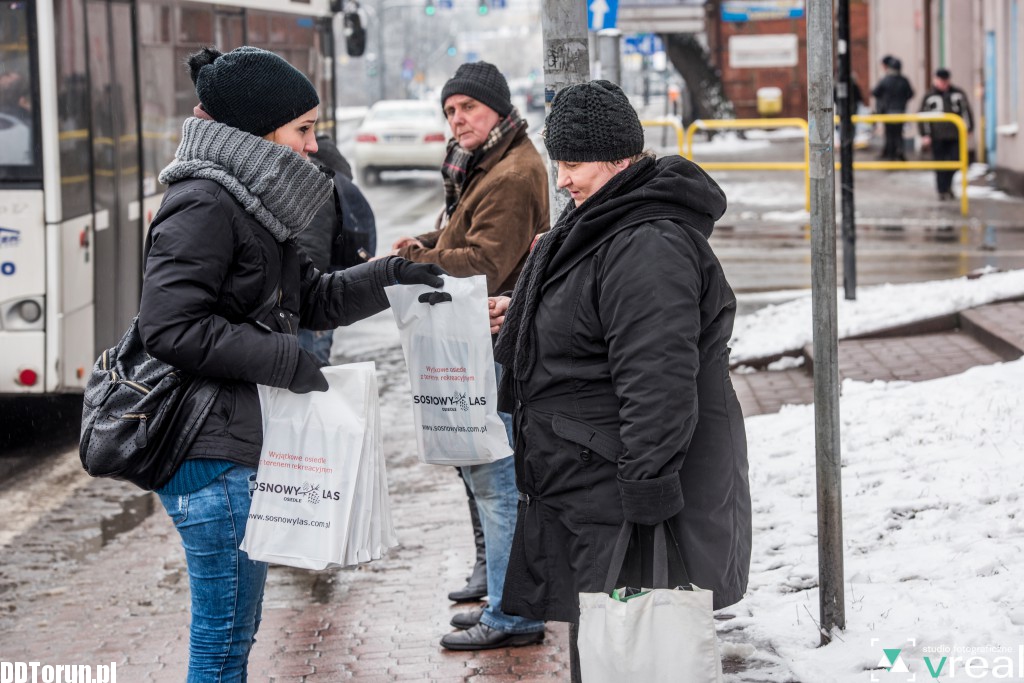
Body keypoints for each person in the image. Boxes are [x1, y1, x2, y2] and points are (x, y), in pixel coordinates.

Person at [137, 46, 444, 681]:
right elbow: (168, 327)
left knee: (235, 634)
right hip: (206, 450)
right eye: (302, 129)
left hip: (233, 438)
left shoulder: (252, 201)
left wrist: (391, 275)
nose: (311, 145)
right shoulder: (205, 202)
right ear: (259, 128)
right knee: (223, 642)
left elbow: (314, 298)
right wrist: (285, 361)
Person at [490, 80, 752, 680]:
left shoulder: (646, 242)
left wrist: (646, 501)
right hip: (591, 485)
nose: (562, 180)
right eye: (559, 163)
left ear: (618, 158)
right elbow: (598, 325)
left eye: (574, 164)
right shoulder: (610, 225)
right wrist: (528, 314)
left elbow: (657, 379)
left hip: (619, 493)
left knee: (629, 651)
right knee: (610, 647)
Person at [388, 60, 549, 650]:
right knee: (489, 480)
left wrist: (411, 264)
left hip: (495, 339)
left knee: (497, 483)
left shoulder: (510, 172)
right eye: (450, 110)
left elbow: (485, 263)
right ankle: (508, 603)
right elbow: (463, 234)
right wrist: (424, 244)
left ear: (497, 110)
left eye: (468, 108)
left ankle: (512, 615)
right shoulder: (490, 164)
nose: (457, 120)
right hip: (483, 339)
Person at [294, 133, 377, 363]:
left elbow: (312, 250)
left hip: (313, 300)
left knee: (312, 371)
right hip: (326, 290)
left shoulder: (313, 181)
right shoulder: (333, 174)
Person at [919, 68, 974, 201]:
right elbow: (923, 116)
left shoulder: (958, 94)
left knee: (955, 160)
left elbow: (967, 111)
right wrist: (925, 134)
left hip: (955, 135)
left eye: (945, 81)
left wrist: (969, 128)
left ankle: (948, 186)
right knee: (940, 164)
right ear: (935, 80)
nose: (943, 84)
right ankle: (942, 190)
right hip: (937, 136)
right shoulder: (930, 95)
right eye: (940, 81)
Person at [871, 55, 914, 161]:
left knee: (890, 134)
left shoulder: (886, 80)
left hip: (888, 111)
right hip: (900, 110)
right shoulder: (904, 80)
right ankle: (899, 152)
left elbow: (875, 92)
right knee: (898, 133)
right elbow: (910, 93)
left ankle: (890, 154)